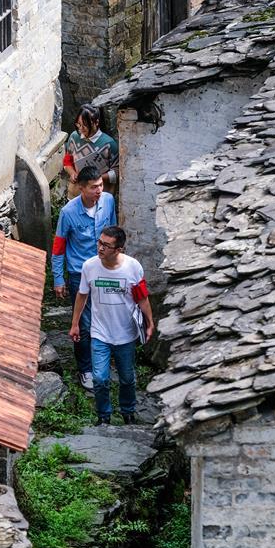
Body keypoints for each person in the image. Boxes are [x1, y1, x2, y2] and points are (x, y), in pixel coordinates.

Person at [68, 226, 154, 425]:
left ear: (119, 249)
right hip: (100, 332)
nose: (100, 248)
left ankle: (128, 412)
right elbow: (82, 296)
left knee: (127, 377)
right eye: (99, 242)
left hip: (126, 333)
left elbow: (142, 298)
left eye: (106, 245)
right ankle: (103, 416)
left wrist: (150, 322)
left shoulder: (133, 267)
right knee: (99, 378)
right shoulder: (89, 266)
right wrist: (75, 324)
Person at [52, 165, 117, 391]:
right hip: (79, 273)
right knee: (84, 323)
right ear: (81, 188)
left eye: (100, 185)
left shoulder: (108, 201)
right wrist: (58, 279)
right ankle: (85, 369)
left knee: (105, 317)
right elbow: (58, 247)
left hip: (104, 269)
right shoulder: (68, 213)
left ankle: (103, 361)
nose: (99, 190)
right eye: (93, 187)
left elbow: (114, 233)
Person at [63, 104, 119, 196]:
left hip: (99, 195)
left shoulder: (109, 144)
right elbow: (67, 160)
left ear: (96, 122)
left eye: (85, 125)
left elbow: (117, 173)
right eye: (78, 124)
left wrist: (96, 178)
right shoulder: (74, 137)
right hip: (76, 193)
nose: (81, 129)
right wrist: (72, 173)